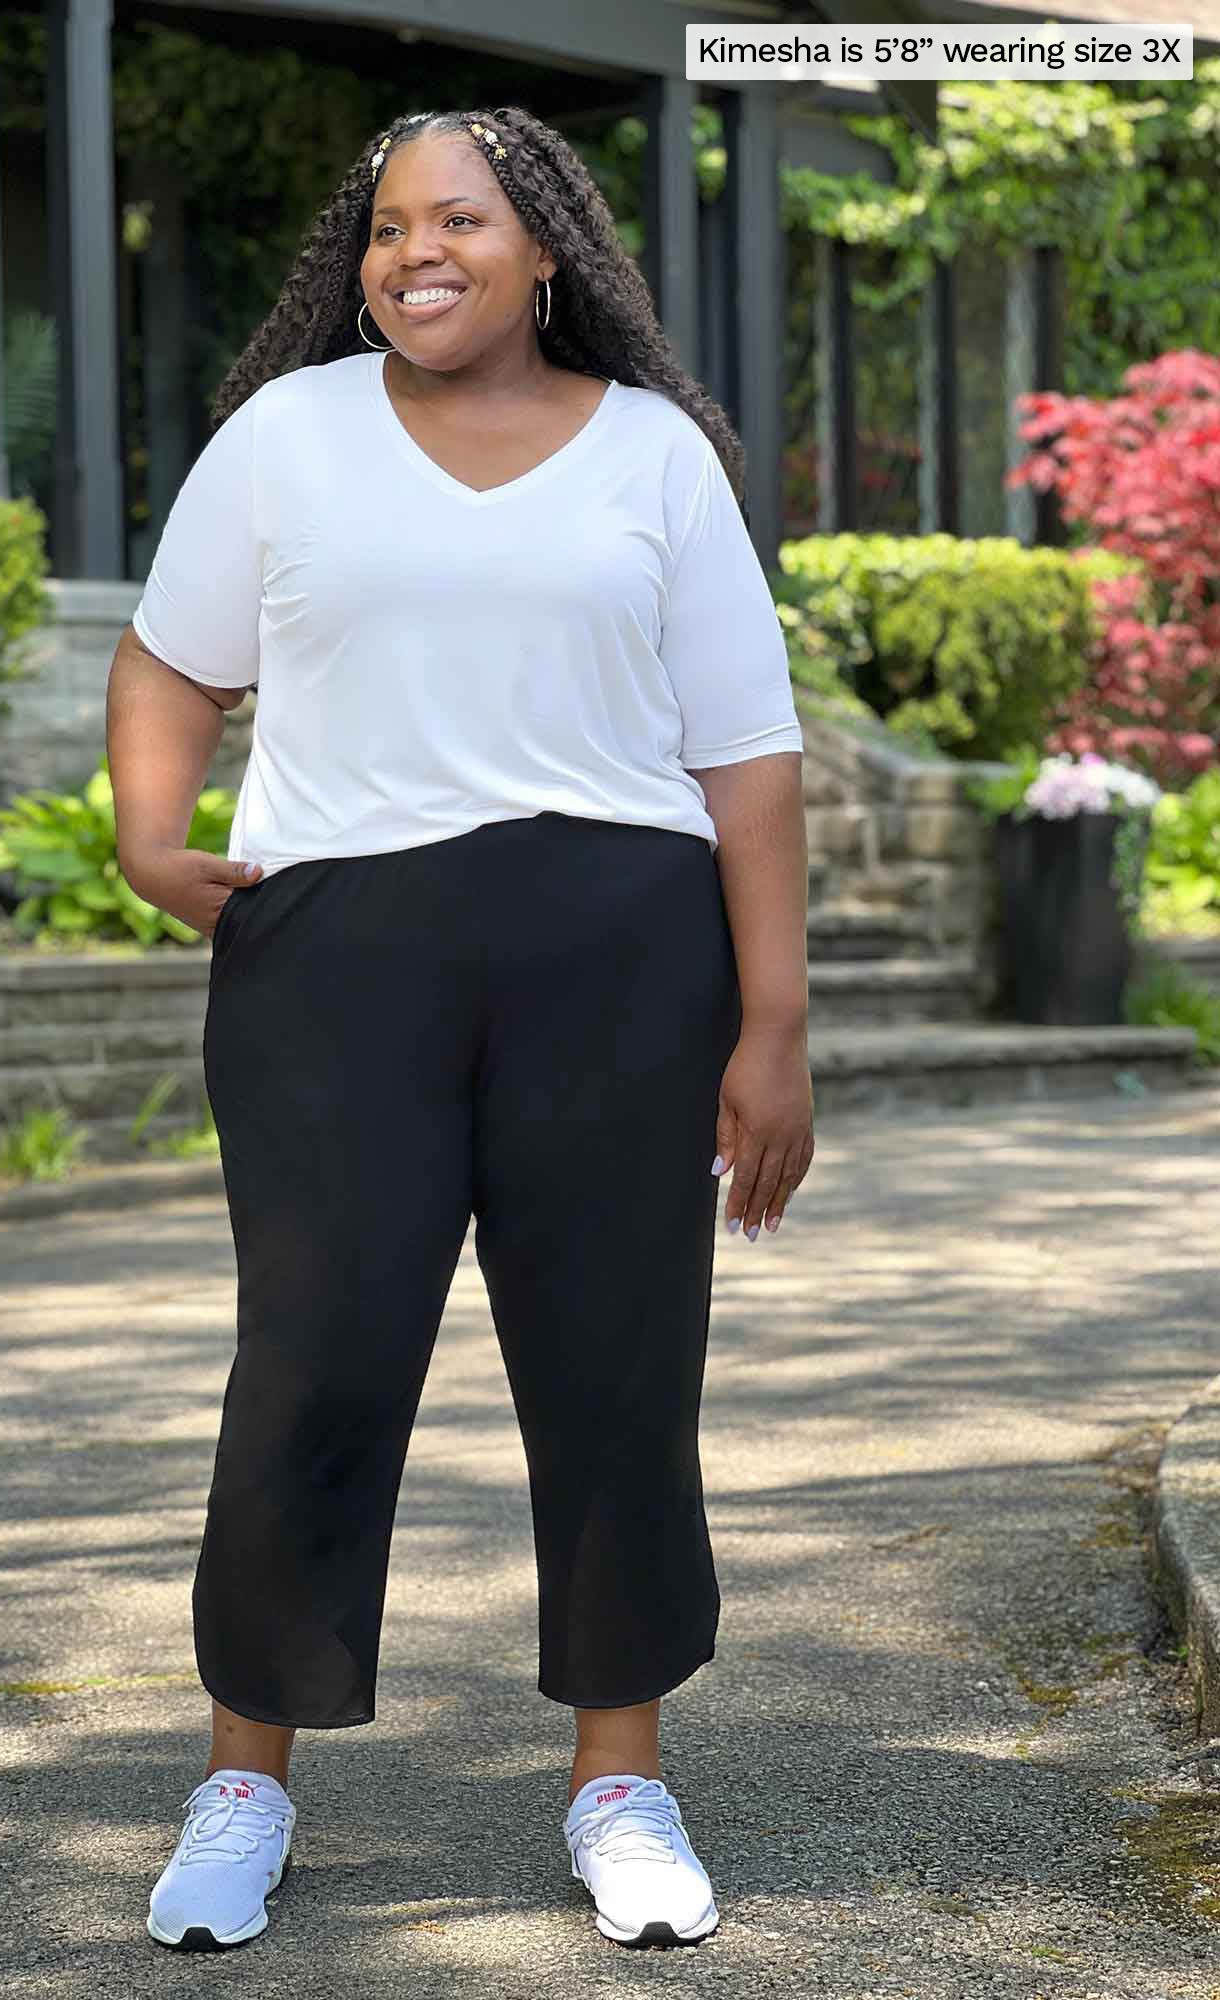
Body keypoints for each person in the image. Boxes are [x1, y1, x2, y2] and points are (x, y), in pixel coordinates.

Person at [105, 103, 815, 1955]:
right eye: (389, 227)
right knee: (316, 1368)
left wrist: (775, 1024)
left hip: (619, 951)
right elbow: (175, 656)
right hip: (341, 953)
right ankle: (245, 1780)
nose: (418, 253)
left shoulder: (660, 454)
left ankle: (620, 1785)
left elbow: (747, 751)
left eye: (463, 221)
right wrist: (145, 830)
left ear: (548, 248)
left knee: (615, 1370)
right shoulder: (288, 433)